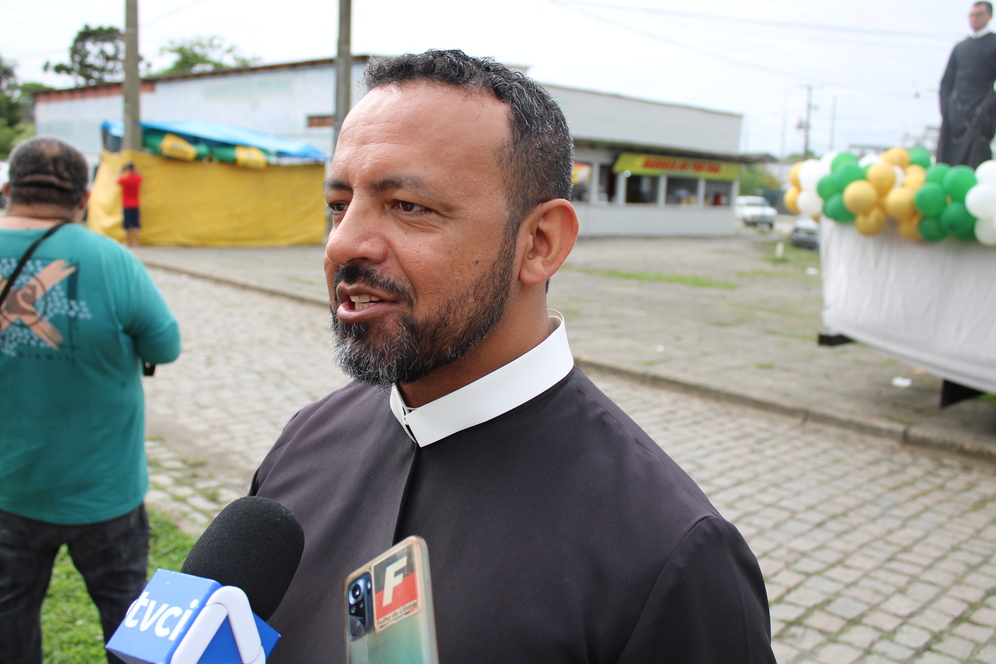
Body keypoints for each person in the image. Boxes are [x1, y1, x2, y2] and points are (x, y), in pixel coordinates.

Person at [250, 50, 774, 664]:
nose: (342, 244)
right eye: (339, 205)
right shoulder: (304, 442)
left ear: (540, 243)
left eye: (408, 206)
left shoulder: (669, 554)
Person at [0, 136, 181, 664]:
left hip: (9, 488)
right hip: (104, 490)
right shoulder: (109, 258)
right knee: (130, 623)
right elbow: (164, 345)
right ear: (82, 198)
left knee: (8, 617)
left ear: (9, 189)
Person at [937, 1, 996, 168]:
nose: (974, 19)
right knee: (947, 164)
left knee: (976, 164)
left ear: (990, 16)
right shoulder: (960, 47)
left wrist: (990, 110)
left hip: (981, 114)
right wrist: (946, 109)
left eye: (979, 14)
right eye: (971, 15)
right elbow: (946, 82)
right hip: (955, 114)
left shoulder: (994, 43)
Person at [116, 162, 143, 247]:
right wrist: (135, 170)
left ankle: (128, 241)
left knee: (127, 224)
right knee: (136, 224)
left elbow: (117, 180)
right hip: (136, 204)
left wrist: (122, 171)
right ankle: (135, 242)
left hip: (126, 204)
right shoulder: (137, 178)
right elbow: (141, 176)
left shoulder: (125, 179)